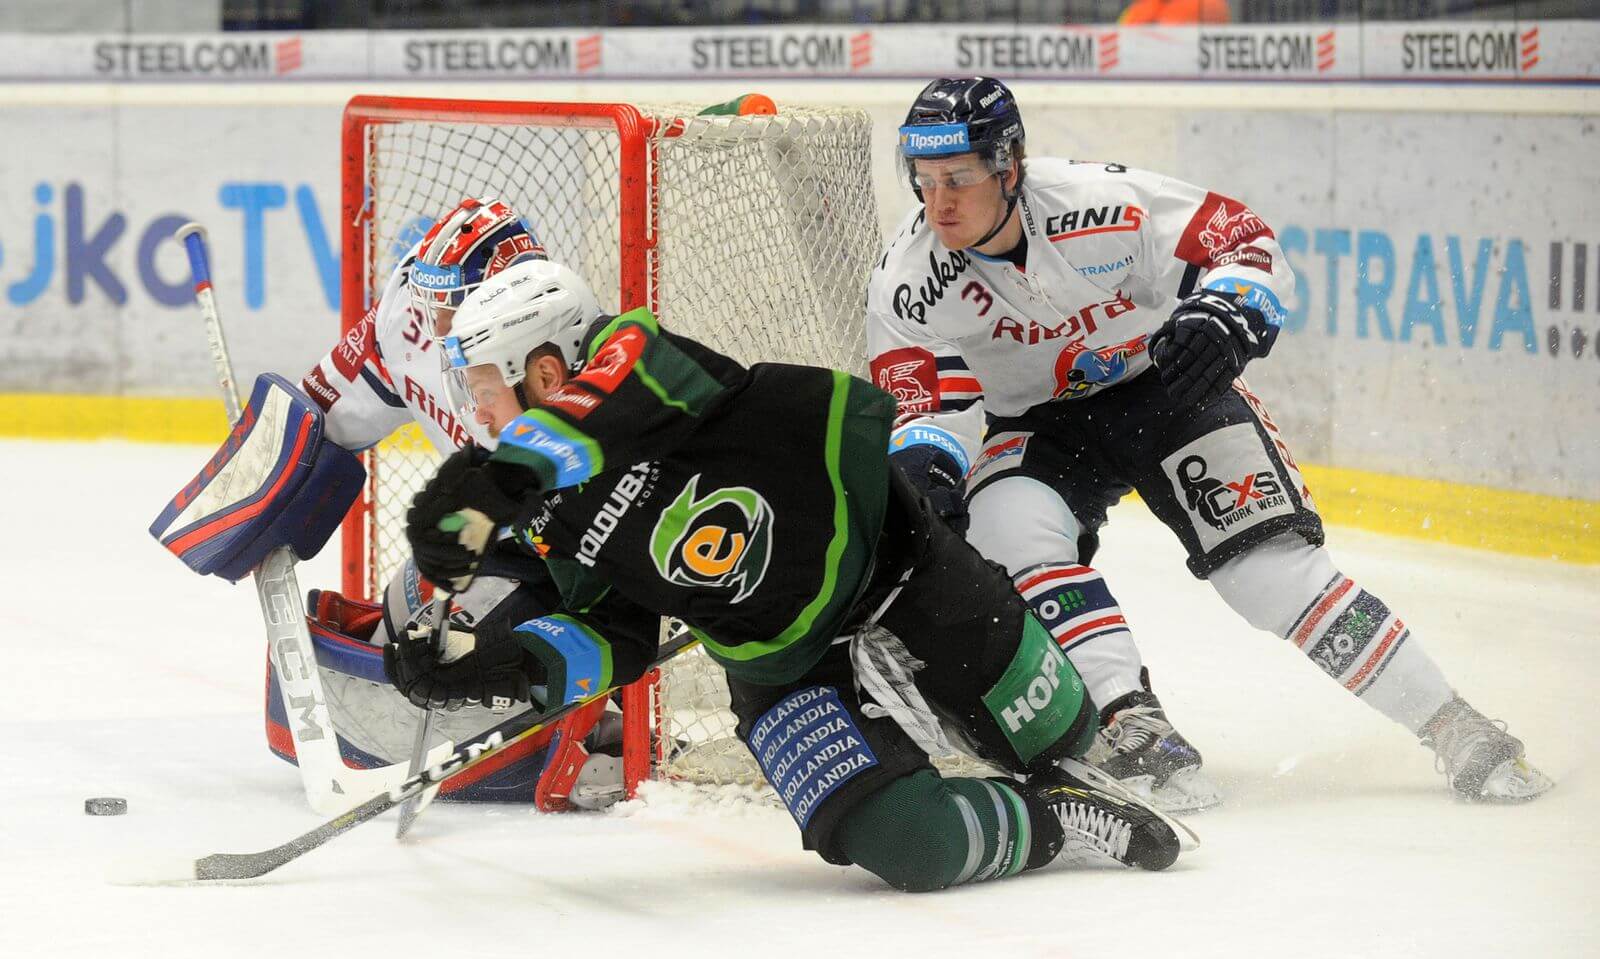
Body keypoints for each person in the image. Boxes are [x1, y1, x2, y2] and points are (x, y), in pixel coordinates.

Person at [389, 257, 1184, 892]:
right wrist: (497, 664)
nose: (477, 413)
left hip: (895, 560)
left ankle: (1064, 747)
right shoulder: (545, 508)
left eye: (484, 388)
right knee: (915, 845)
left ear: (545, 371)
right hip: (779, 659)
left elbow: (612, 397)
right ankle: (1059, 820)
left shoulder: (641, 359)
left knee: (1069, 741)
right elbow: (615, 634)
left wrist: (499, 483)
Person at [867, 76, 1552, 811]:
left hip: (1168, 389)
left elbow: (1240, 237)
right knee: (1010, 535)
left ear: (1009, 167)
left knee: (1269, 575)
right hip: (1037, 428)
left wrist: (1229, 308)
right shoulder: (908, 278)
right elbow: (926, 403)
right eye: (925, 181)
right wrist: (927, 474)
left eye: (959, 179)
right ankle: (1135, 727)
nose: (939, 204)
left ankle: (1452, 720)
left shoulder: (1099, 202)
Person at [285, 196, 623, 809]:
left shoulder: (573, 372)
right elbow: (327, 409)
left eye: (453, 306)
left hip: (578, 562)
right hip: (519, 543)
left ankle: (609, 733)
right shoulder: (449, 341)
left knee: (482, 649)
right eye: (434, 304)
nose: (438, 324)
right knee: (408, 619)